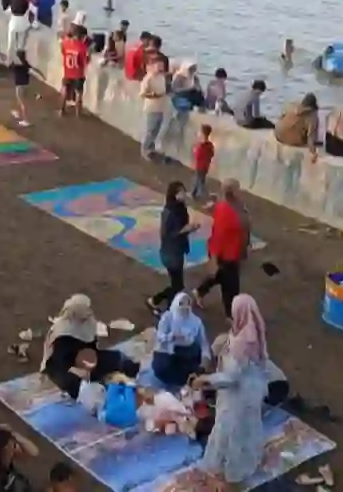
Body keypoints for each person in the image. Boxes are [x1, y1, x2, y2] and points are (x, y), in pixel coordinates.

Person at [193, 295, 270, 485]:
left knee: (230, 429)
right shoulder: (253, 332)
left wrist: (206, 380)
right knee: (247, 427)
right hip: (252, 390)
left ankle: (232, 470)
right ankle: (247, 461)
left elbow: (231, 377)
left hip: (240, 394)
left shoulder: (242, 342)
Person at [40, 294, 140, 398]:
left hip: (85, 362)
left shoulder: (88, 323)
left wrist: (91, 361)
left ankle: (131, 374)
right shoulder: (61, 334)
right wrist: (77, 370)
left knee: (118, 358)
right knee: (71, 383)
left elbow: (92, 347)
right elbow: (58, 362)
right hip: (65, 368)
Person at [194, 180, 251, 318]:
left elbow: (244, 224)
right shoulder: (225, 211)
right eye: (237, 189)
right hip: (226, 255)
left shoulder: (235, 205)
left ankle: (201, 290)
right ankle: (230, 315)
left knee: (220, 276)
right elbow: (218, 237)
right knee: (231, 286)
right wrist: (214, 258)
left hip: (234, 251)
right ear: (232, 192)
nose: (240, 191)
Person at [148, 181, 198, 313]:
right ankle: (166, 308)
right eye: (181, 191)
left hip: (177, 251)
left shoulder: (180, 208)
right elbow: (167, 234)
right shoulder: (169, 212)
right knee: (177, 286)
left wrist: (189, 229)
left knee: (177, 284)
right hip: (171, 253)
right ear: (174, 194)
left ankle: (156, 301)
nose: (184, 194)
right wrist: (185, 229)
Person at [151, 292, 211, 388]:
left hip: (187, 354)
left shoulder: (196, 322)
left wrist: (204, 364)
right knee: (161, 368)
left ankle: (188, 379)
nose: (184, 307)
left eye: (187, 304)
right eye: (181, 304)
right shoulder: (167, 317)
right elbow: (160, 337)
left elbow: (204, 345)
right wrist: (171, 337)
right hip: (168, 351)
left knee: (193, 367)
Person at [273, 93, 320, 161]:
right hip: (290, 139)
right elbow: (311, 137)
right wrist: (313, 153)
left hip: (277, 134)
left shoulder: (293, 105)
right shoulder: (311, 115)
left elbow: (281, 117)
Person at [140, 55, 171, 160]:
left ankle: (151, 149)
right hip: (151, 108)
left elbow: (164, 91)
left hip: (160, 107)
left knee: (156, 130)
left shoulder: (162, 77)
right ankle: (144, 150)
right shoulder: (148, 79)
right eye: (158, 65)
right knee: (150, 130)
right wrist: (153, 95)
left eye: (161, 65)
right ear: (152, 66)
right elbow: (142, 94)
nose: (161, 67)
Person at [60, 25, 89, 116]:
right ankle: (78, 113)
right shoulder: (82, 47)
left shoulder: (66, 43)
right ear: (82, 36)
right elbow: (85, 61)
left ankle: (62, 109)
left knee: (64, 90)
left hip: (67, 71)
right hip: (78, 74)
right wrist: (90, 56)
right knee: (78, 93)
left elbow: (63, 52)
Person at [191, 125, 215, 200]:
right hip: (205, 166)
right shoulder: (210, 145)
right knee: (200, 179)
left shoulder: (201, 145)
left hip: (200, 165)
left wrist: (195, 150)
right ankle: (194, 193)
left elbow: (197, 155)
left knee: (199, 180)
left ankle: (201, 194)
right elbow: (212, 154)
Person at [11, 49, 32, 127]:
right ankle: (19, 113)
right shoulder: (25, 63)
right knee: (20, 100)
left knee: (23, 103)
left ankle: (26, 120)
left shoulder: (17, 65)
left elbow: (10, 66)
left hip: (20, 85)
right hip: (26, 84)